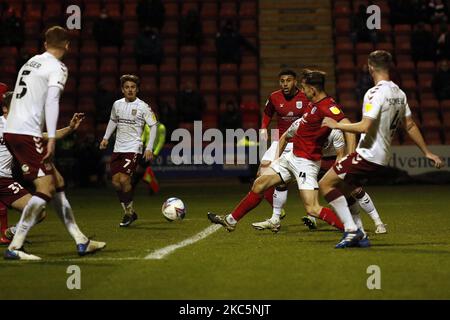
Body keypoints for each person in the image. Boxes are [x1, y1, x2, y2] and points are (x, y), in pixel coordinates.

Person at [320, 50, 443, 248]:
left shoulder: (374, 93)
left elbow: (364, 126)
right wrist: (427, 152)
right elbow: (410, 125)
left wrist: (337, 125)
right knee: (346, 186)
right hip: (382, 156)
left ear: (370, 67)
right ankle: (359, 233)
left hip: (368, 154)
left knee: (325, 184)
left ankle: (352, 230)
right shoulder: (398, 93)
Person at [3, 26, 106, 260]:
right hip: (28, 133)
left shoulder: (30, 62)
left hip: (14, 131)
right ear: (67, 45)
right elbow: (51, 101)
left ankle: (81, 240)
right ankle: (15, 246)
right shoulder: (58, 67)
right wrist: (50, 138)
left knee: (57, 181)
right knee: (46, 187)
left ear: (45, 43)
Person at [208, 70, 351, 234]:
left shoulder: (328, 106)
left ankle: (351, 229)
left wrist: (349, 154)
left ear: (313, 89)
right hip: (291, 156)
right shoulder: (312, 103)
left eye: (304, 88)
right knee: (259, 183)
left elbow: (348, 126)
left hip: (306, 162)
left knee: (312, 209)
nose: (301, 91)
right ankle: (231, 221)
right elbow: (286, 134)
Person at [1, 91, 86, 245]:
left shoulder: (22, 127)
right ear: (5, 109)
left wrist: (70, 128)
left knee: (38, 213)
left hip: (4, 181)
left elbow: (48, 135)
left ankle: (12, 233)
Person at [250, 69, 310, 231]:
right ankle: (279, 211)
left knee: (298, 179)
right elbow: (267, 114)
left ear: (295, 81)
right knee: (261, 176)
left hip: (299, 142)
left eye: (288, 80)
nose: (285, 84)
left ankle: (311, 213)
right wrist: (263, 128)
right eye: (282, 81)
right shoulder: (274, 97)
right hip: (280, 141)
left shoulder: (305, 97)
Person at [100, 74, 158, 227]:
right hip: (118, 148)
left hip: (134, 147)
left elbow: (153, 125)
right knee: (115, 182)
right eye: (127, 87)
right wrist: (106, 137)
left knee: (124, 179)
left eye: (133, 87)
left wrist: (149, 147)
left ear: (137, 89)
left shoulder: (143, 106)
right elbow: (113, 120)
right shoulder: (117, 105)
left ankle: (128, 214)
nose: (130, 90)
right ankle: (130, 212)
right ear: (122, 89)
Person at [131, 122, 166, 194]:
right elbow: (144, 137)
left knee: (140, 169)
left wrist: (155, 153)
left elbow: (161, 141)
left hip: (151, 151)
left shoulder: (161, 127)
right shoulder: (147, 126)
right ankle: (152, 186)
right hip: (144, 149)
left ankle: (133, 186)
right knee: (142, 170)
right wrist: (138, 143)